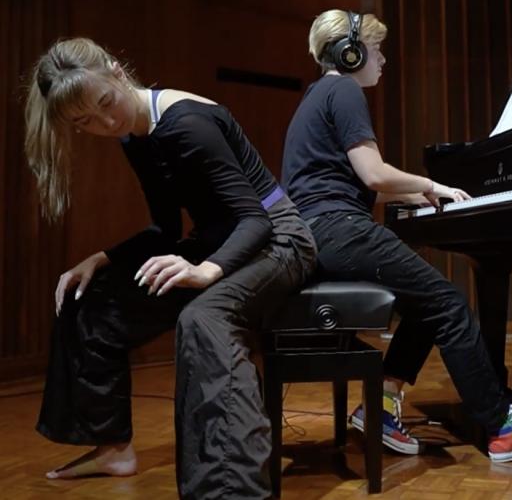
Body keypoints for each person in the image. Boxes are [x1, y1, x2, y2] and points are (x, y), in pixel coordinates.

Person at [24, 37, 316, 499]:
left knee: (203, 318)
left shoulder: (187, 124)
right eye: (85, 122)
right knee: (90, 300)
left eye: (105, 103)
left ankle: (233, 491)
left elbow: (256, 219)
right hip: (222, 240)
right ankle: (113, 448)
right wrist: (101, 259)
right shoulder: (133, 135)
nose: (106, 121)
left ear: (117, 71)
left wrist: (208, 271)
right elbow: (164, 228)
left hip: (280, 240)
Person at [281, 10, 512, 462]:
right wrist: (428, 185)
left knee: (424, 305)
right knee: (450, 305)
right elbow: (373, 174)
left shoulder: (316, 96)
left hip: (319, 230)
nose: (382, 60)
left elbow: (337, 184)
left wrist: (410, 197)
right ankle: (501, 429)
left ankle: (381, 402)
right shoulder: (343, 90)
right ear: (350, 53)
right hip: (337, 229)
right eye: (376, 50)